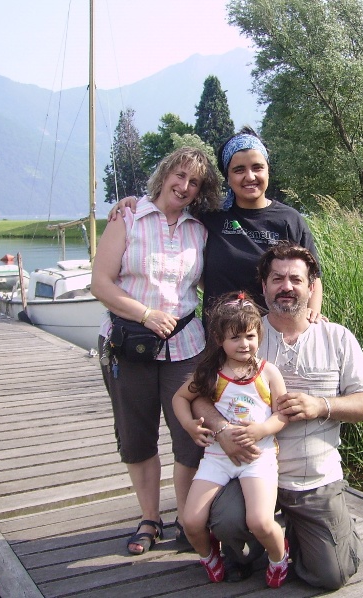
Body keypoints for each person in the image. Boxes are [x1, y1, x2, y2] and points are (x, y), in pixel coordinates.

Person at [192, 243, 363, 589]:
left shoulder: (337, 337)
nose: (286, 286)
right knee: (227, 523)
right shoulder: (243, 334)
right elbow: (198, 397)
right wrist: (220, 429)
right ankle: (260, 544)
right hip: (248, 471)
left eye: (296, 279)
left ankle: (315, 530)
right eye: (277, 278)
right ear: (263, 286)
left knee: (331, 575)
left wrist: (321, 406)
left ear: (311, 287)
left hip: (313, 478)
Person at [91, 147, 221, 556]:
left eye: (194, 182)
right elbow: (100, 283)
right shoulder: (128, 218)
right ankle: (150, 518)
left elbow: (208, 283)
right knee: (136, 436)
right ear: (165, 174)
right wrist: (145, 314)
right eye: (179, 175)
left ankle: (187, 519)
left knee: (190, 436)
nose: (184, 186)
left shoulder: (199, 229)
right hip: (129, 343)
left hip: (186, 346)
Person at [109, 126, 324, 322]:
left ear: (268, 170)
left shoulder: (289, 220)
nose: (250, 176)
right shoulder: (209, 215)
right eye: (239, 170)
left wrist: (312, 315)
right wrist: (136, 202)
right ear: (227, 177)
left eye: (257, 167)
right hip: (219, 339)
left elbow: (313, 277)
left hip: (273, 335)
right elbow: (170, 204)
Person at [173, 291, 290, 587]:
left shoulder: (268, 373)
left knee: (260, 521)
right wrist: (189, 425)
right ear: (219, 339)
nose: (244, 344)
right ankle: (208, 555)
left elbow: (282, 415)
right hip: (217, 458)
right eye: (235, 338)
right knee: (191, 521)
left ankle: (279, 556)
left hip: (258, 458)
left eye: (250, 336)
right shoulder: (211, 374)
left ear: (259, 335)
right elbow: (180, 398)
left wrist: (261, 430)